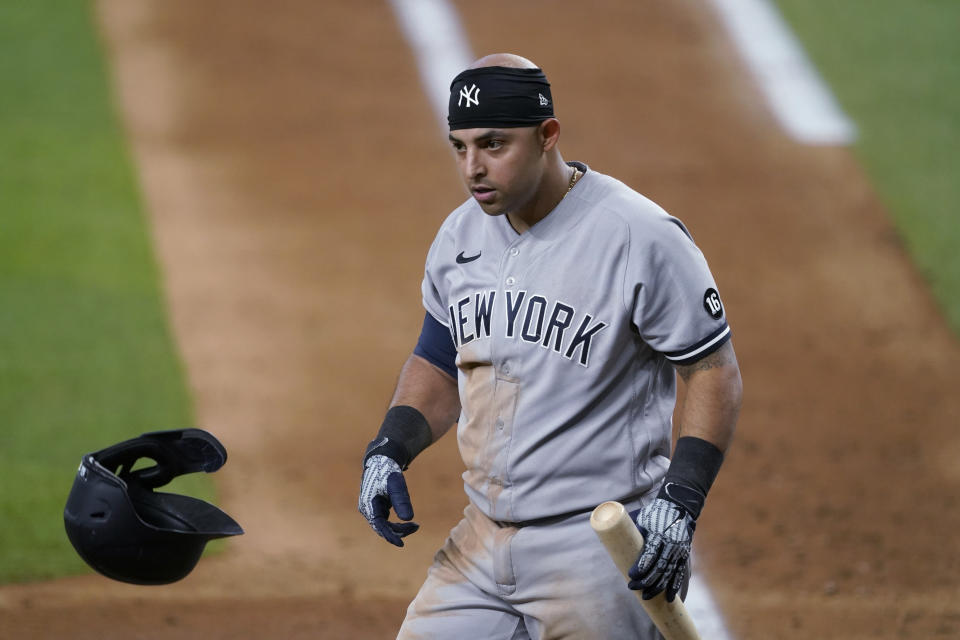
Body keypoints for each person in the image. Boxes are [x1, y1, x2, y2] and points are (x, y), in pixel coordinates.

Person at [358, 52, 743, 640]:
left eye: (493, 144)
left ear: (548, 137)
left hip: (595, 548)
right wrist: (390, 447)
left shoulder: (638, 236)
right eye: (459, 147)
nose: (473, 168)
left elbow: (712, 370)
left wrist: (680, 503)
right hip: (481, 539)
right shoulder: (460, 236)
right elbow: (438, 360)